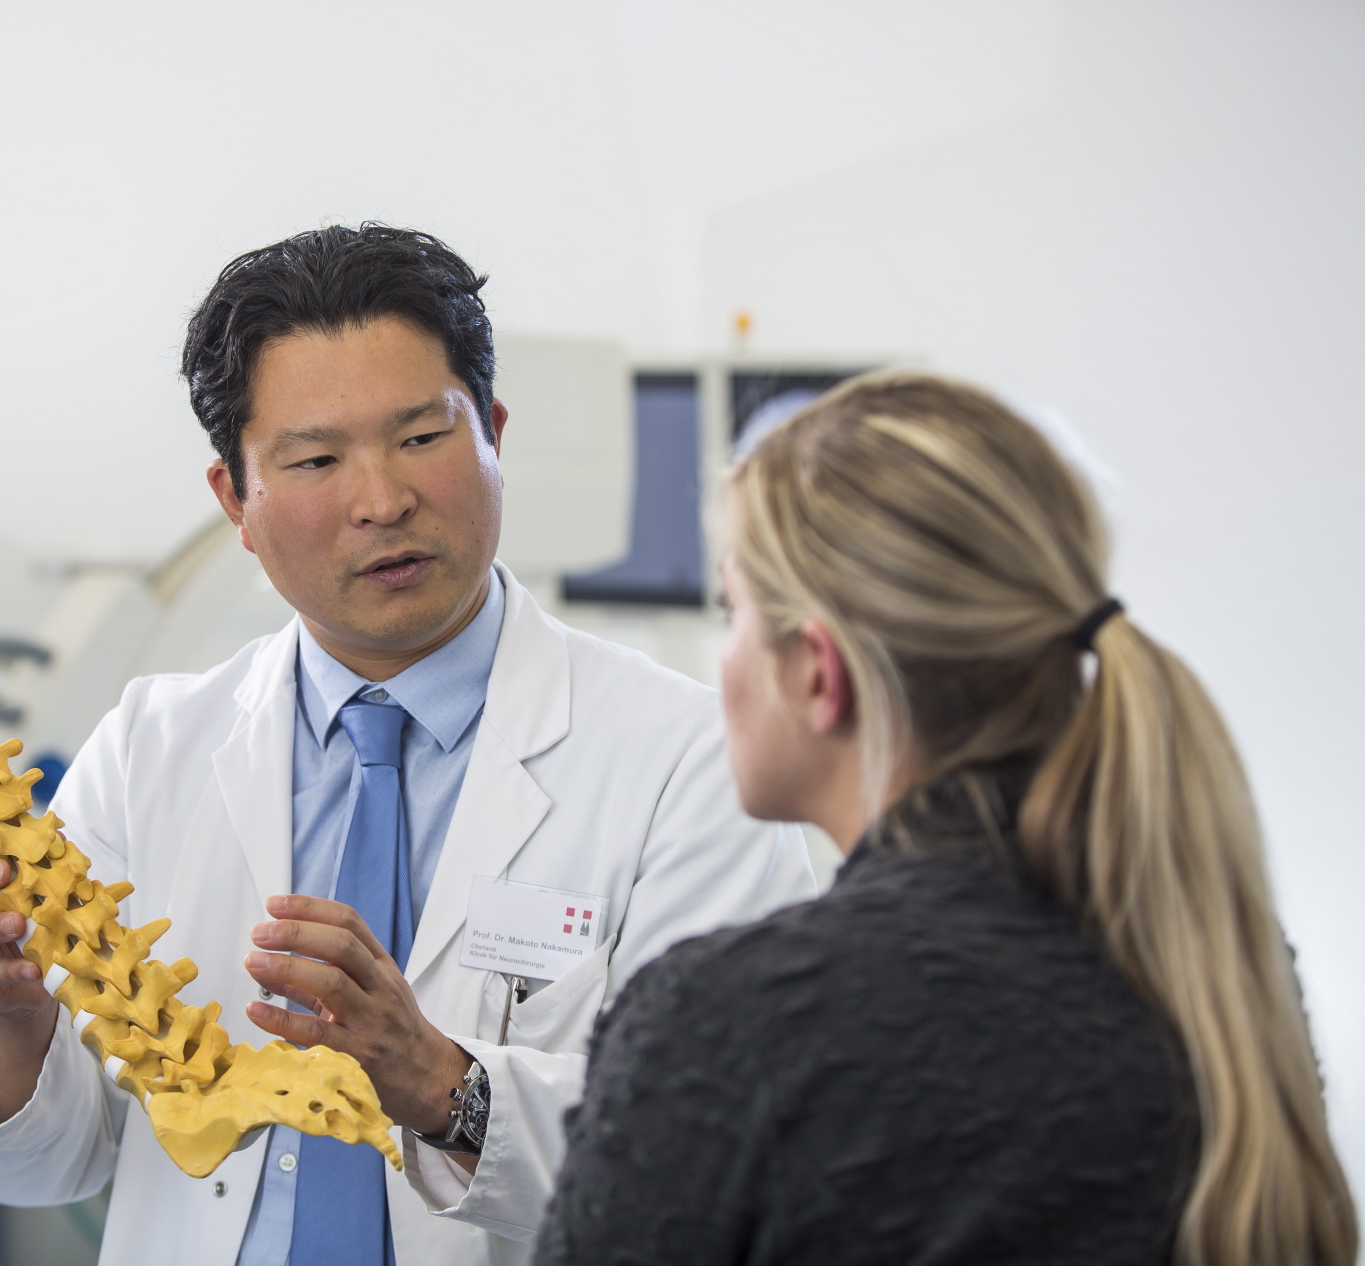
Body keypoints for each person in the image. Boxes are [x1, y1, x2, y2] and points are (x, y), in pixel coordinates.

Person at [0, 224, 818, 1265]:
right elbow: (38, 1165)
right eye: (314, 459)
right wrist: (10, 1014)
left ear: (495, 435)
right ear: (234, 502)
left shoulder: (686, 760)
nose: (382, 500)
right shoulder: (150, 749)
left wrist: (439, 1080)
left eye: (424, 438)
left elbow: (733, 1147)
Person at [536, 371, 1358, 1266]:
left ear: (818, 671)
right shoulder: (1219, 959)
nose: (723, 654)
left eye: (734, 612)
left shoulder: (725, 1024)